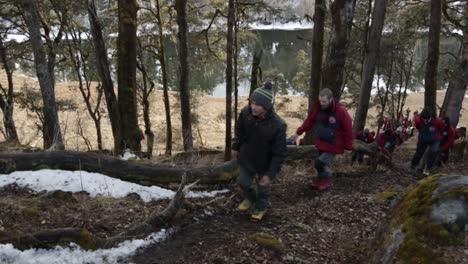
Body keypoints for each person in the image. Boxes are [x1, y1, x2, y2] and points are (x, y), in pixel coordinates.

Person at [231, 81, 287, 222]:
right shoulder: (246, 113)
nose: (253, 107)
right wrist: (236, 147)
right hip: (247, 156)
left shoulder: (278, 125)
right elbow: (239, 131)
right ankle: (250, 198)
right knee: (243, 182)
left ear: (267, 106)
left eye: (258, 105)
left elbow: (279, 153)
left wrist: (270, 174)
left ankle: (261, 207)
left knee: (263, 187)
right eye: (252, 102)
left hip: (265, 162)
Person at [289, 88, 353, 190]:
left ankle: (327, 181)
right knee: (319, 164)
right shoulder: (318, 108)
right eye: (320, 101)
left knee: (320, 163)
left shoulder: (340, 111)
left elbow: (348, 129)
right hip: (321, 142)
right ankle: (320, 181)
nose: (322, 104)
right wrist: (298, 133)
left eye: (324, 101)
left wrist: (348, 147)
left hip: (334, 144)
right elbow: (309, 121)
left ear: (331, 99)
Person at [411, 108, 444, 175]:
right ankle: (413, 165)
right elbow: (418, 126)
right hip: (423, 139)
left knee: (433, 153)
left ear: (431, 117)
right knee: (419, 152)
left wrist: (436, 136)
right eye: (424, 118)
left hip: (435, 140)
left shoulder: (438, 121)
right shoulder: (418, 120)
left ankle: (427, 168)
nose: (425, 120)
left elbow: (441, 129)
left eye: (427, 119)